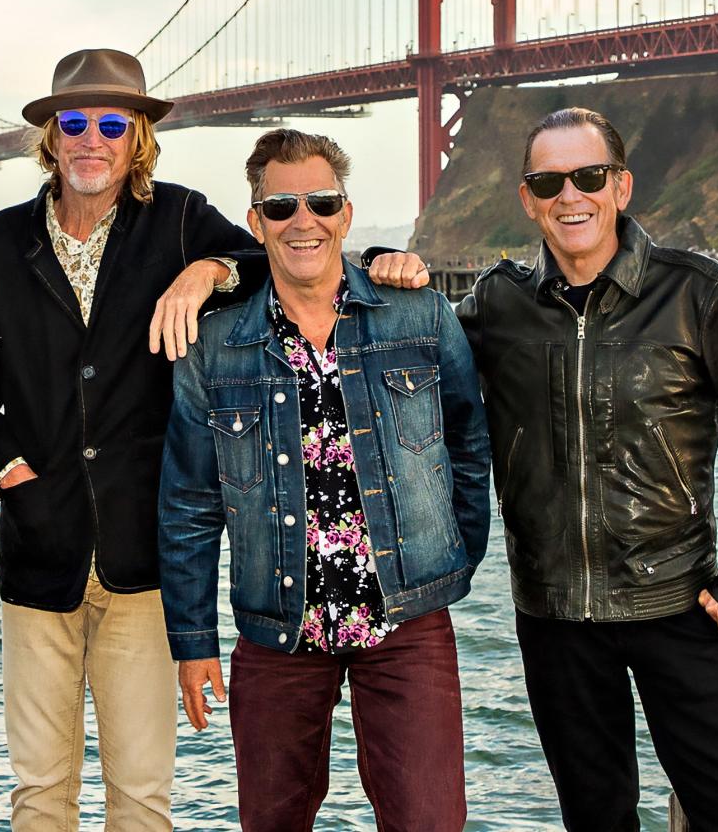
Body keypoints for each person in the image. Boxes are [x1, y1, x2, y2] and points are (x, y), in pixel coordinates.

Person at [0, 49, 428, 830]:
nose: (91, 139)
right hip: (37, 551)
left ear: (137, 137)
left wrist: (205, 270)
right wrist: (9, 476)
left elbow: (286, 254)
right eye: (74, 122)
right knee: (39, 793)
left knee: (141, 794)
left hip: (147, 563)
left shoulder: (178, 219)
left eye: (113, 123)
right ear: (51, 137)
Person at [451, 106, 718, 830]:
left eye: (588, 176)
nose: (569, 196)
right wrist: (382, 271)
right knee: (597, 820)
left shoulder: (696, 293)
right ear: (527, 198)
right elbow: (406, 365)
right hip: (553, 617)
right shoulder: (498, 303)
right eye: (548, 182)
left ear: (621, 186)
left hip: (682, 606)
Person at [157, 128, 491, 831]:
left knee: (430, 821)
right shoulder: (214, 349)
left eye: (320, 202)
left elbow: (468, 441)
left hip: (407, 619)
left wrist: (452, 558)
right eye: (280, 207)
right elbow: (188, 503)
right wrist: (192, 641)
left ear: (344, 212)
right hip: (278, 630)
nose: (301, 220)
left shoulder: (419, 315)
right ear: (255, 223)